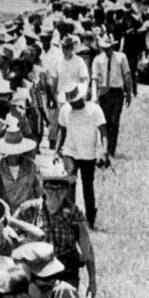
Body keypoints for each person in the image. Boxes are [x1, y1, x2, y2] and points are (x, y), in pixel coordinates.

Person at [14, 163, 97, 296]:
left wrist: (92, 280)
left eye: (60, 190)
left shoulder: (74, 213)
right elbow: (10, 238)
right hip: (36, 273)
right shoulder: (29, 209)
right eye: (50, 189)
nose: (55, 193)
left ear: (66, 190)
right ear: (43, 188)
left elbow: (86, 247)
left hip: (66, 272)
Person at [54, 84, 108, 229]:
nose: (72, 103)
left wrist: (104, 151)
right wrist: (56, 150)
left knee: (87, 186)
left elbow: (103, 132)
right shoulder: (65, 110)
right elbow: (62, 131)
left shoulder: (94, 110)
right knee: (70, 183)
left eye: (75, 100)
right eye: (70, 101)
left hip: (88, 154)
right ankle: (71, 218)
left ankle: (90, 218)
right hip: (70, 152)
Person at [92, 35, 132, 156]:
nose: (107, 51)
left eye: (109, 48)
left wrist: (128, 92)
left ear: (113, 46)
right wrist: (94, 95)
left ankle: (111, 150)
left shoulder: (121, 57)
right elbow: (94, 78)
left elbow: (127, 75)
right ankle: (105, 147)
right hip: (104, 91)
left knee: (115, 121)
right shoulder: (98, 60)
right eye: (104, 48)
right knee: (105, 121)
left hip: (117, 91)